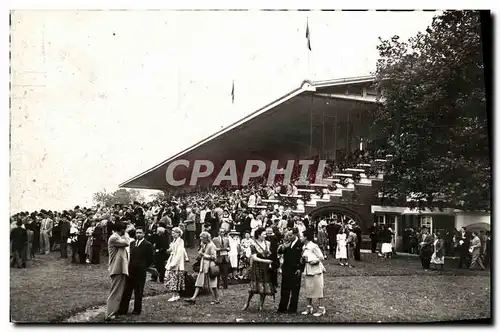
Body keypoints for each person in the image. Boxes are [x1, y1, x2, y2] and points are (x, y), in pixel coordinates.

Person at [118, 228, 154, 315]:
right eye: (137, 233)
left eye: (140, 233)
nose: (138, 234)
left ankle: (137, 310)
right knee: (127, 290)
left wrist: (144, 266)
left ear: (143, 234)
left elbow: (151, 258)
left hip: (140, 271)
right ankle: (123, 309)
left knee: (138, 291)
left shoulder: (147, 244)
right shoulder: (132, 243)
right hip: (131, 270)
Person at [242, 227, 276, 311]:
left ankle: (261, 305)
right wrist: (266, 261)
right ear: (258, 235)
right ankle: (247, 302)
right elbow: (254, 258)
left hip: (266, 268)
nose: (265, 235)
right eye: (264, 234)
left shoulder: (268, 243)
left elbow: (270, 253)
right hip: (257, 267)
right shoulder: (253, 244)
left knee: (264, 286)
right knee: (253, 287)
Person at [185, 232, 220, 304]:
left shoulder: (211, 245)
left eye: (202, 238)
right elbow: (200, 252)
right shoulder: (204, 244)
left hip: (210, 266)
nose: (201, 240)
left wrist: (204, 255)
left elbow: (214, 257)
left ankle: (216, 299)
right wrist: (201, 251)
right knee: (199, 282)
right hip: (203, 266)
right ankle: (193, 298)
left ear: (206, 238)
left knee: (213, 284)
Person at [106, 222, 130, 321]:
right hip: (116, 268)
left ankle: (114, 311)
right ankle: (109, 314)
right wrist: (127, 234)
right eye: (125, 229)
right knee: (115, 292)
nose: (126, 231)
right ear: (122, 230)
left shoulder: (117, 237)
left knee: (118, 292)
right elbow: (126, 243)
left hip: (119, 268)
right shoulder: (114, 238)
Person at [277, 228, 304, 314]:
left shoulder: (301, 244)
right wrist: (283, 247)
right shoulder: (287, 243)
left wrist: (300, 268)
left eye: (290, 235)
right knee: (285, 288)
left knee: (295, 290)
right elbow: (279, 252)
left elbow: (303, 258)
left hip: (296, 269)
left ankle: (292, 309)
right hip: (286, 268)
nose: (288, 237)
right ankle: (282, 307)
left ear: (296, 235)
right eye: (288, 235)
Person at [301, 229, 326, 317]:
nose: (301, 237)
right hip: (308, 270)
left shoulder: (313, 246)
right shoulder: (304, 247)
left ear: (306, 237)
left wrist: (314, 261)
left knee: (318, 289)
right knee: (308, 289)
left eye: (302, 236)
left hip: (316, 270)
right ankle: (309, 307)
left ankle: (321, 308)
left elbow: (321, 257)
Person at [164, 227, 187, 302]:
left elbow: (180, 253)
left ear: (178, 233)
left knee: (175, 278)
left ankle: (175, 295)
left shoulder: (181, 241)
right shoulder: (174, 241)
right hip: (172, 258)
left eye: (174, 233)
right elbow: (172, 249)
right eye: (172, 232)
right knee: (172, 277)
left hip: (177, 262)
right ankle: (175, 294)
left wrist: (173, 264)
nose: (172, 234)